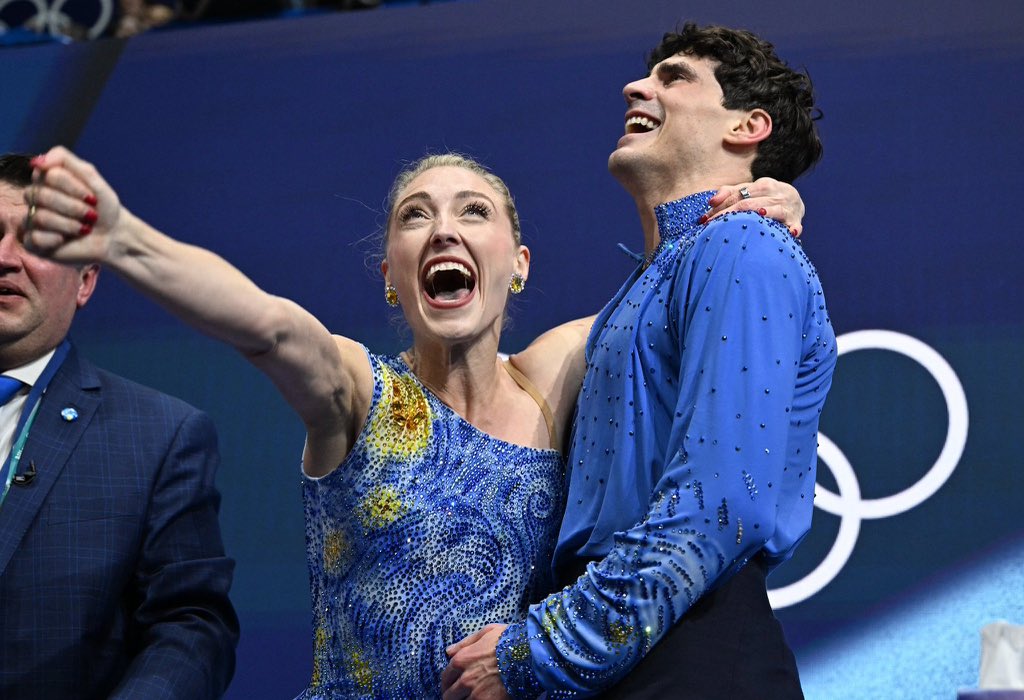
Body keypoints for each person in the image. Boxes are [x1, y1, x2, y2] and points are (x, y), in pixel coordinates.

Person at [24, 146, 804, 699]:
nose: (443, 231)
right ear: (392, 276)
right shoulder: (360, 392)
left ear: (519, 263)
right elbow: (265, 324)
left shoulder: (566, 371)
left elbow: (680, 290)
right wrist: (123, 239)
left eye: (474, 212)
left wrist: (754, 209)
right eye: (415, 217)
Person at [442, 22, 836, 699]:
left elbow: (718, 505)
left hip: (687, 655)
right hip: (625, 647)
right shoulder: (660, 277)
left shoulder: (742, 244)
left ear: (748, 126)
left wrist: (542, 651)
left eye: (674, 78)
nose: (634, 87)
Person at [0, 153, 238, 698]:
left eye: (34, 240)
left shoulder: (159, 437)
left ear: (85, 280)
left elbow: (192, 627)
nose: (5, 258)